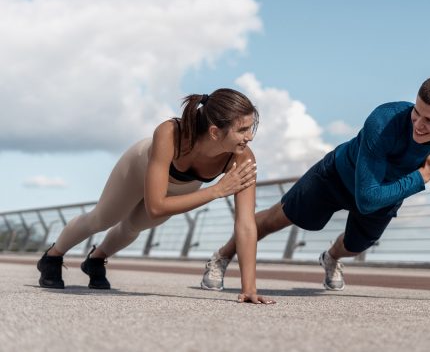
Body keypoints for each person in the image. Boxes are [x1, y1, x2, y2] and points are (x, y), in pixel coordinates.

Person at [201, 76, 430, 304]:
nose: (418, 123)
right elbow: (366, 197)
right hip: (337, 176)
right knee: (278, 218)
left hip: (386, 193)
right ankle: (221, 256)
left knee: (356, 244)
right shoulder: (384, 120)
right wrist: (425, 173)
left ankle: (331, 258)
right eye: (416, 112)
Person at [37, 89, 274, 304]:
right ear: (214, 132)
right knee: (103, 219)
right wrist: (217, 191)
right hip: (138, 167)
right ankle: (52, 257)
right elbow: (156, 206)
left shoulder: (242, 159)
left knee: (133, 226)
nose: (250, 137)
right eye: (242, 129)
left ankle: (96, 260)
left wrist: (249, 289)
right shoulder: (170, 133)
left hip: (183, 186)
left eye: (251, 128)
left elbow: (245, 224)